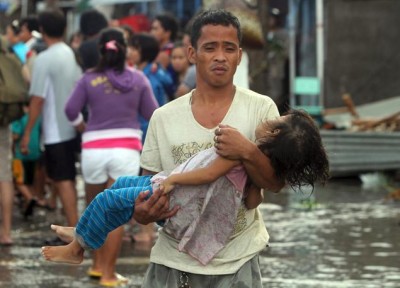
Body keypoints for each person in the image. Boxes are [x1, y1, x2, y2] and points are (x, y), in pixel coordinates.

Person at [41, 109, 329, 266]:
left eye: (273, 121)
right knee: (123, 187)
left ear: (274, 133)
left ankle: (77, 249)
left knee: (106, 198)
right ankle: (83, 231)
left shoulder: (240, 154)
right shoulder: (254, 166)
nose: (265, 118)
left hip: (174, 194)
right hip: (169, 188)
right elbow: (253, 201)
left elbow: (207, 175)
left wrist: (173, 180)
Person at [64, 28, 158, 287]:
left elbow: (70, 109)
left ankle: (95, 265)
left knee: (95, 207)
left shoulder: (88, 78)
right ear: (124, 49)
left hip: (93, 149)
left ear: (100, 50)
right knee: (116, 211)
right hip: (125, 150)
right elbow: (154, 114)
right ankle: (108, 273)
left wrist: (83, 127)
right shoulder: (138, 79)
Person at [20, 9, 82, 230]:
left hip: (56, 129)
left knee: (62, 179)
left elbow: (37, 99)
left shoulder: (44, 59)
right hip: (75, 125)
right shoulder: (71, 53)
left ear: (42, 30)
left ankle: (74, 231)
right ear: (65, 29)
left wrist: (27, 133)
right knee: (68, 179)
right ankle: (75, 227)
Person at [11, 102, 42, 218]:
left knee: (18, 181)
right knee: (30, 180)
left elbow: (16, 135)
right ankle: (29, 201)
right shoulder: (37, 118)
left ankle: (29, 198)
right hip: (34, 154)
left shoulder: (19, 118)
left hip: (20, 155)